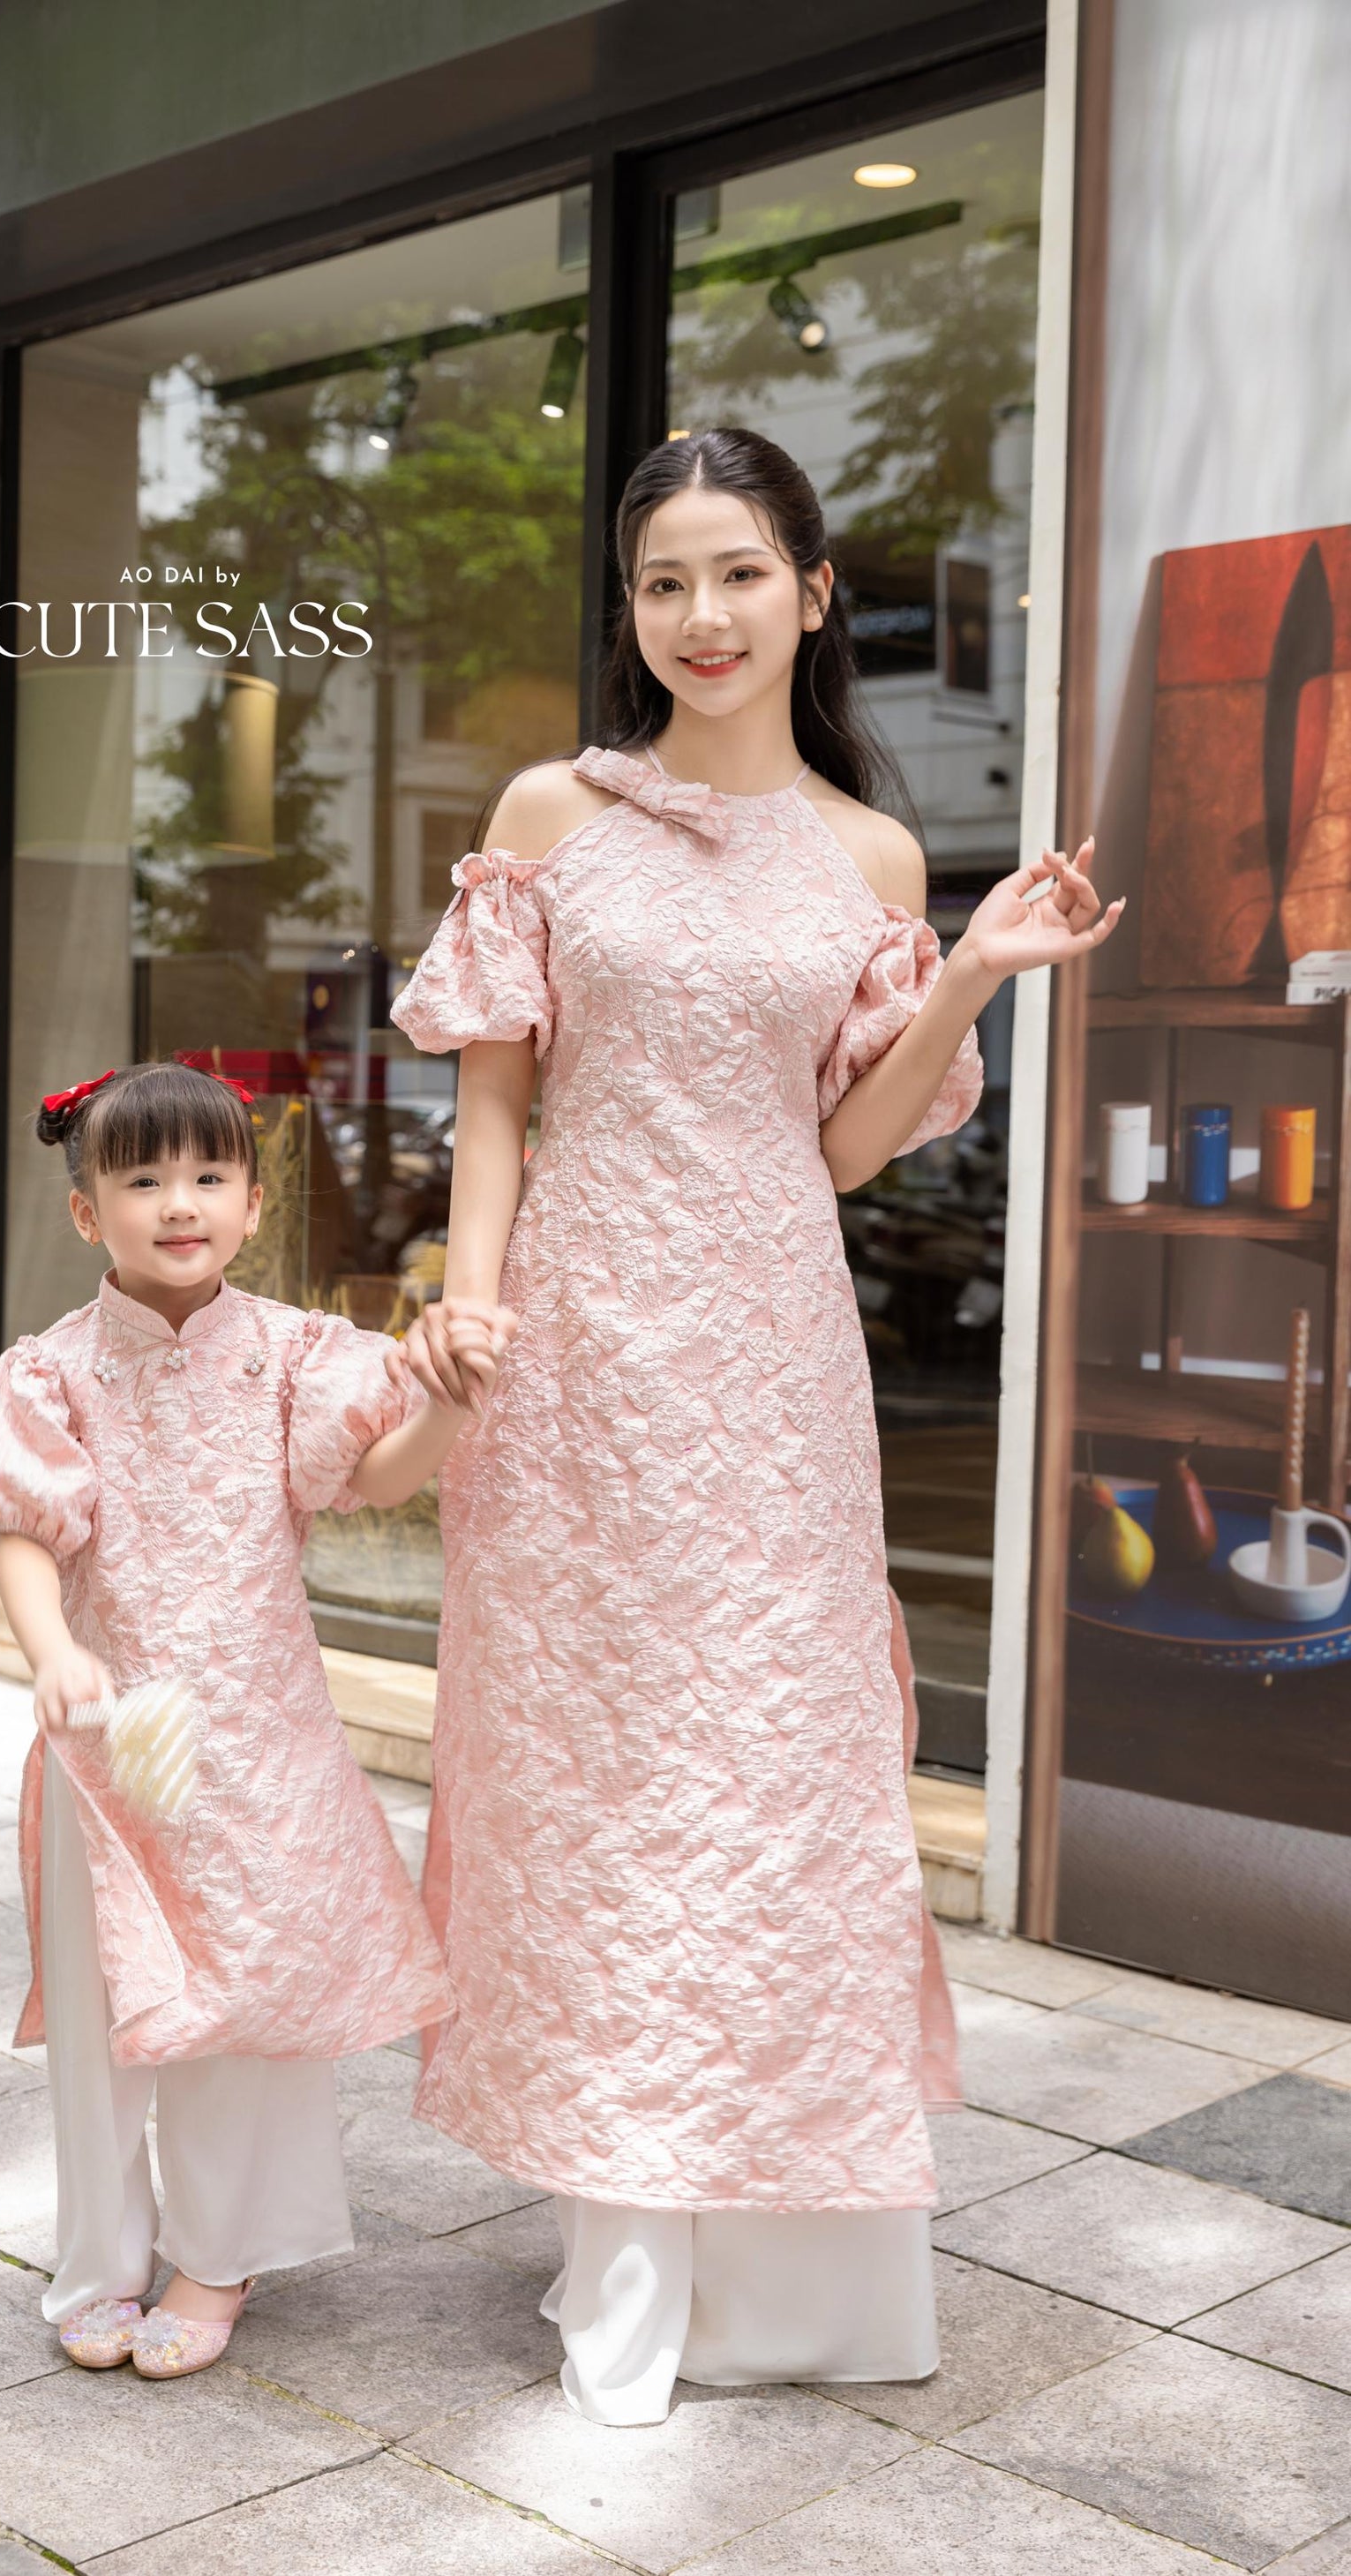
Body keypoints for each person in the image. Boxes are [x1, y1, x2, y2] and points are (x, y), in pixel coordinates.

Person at [393, 424, 1122, 2425]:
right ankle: (625, 2237)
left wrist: (973, 967)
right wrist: (472, 1293)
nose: (696, 617)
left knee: (769, 1778)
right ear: (629, 612)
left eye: (734, 573)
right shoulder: (554, 812)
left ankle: (780, 2253)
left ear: (812, 590)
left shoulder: (871, 856)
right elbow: (500, 1098)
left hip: (771, 1372)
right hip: (572, 1354)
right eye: (658, 582)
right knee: (603, 1779)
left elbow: (849, 1144)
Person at [0, 1056, 511, 2379]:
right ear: (87, 1212)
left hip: (255, 1742)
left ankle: (217, 2263)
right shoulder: (49, 1373)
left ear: (253, 1201)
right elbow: (26, 1535)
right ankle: (98, 2256)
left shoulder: (295, 1354)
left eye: (207, 1175)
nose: (178, 1202)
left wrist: (442, 1398)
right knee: (108, 2020)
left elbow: (370, 1479)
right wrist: (49, 1655)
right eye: (141, 1178)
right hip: (110, 1748)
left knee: (242, 2014)